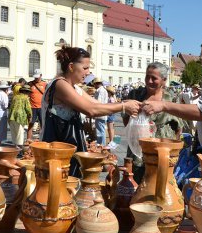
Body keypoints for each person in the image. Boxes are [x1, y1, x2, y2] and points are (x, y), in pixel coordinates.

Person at [40, 46, 141, 177]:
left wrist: (126, 103)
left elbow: (98, 105)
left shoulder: (74, 87)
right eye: (85, 68)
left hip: (66, 150)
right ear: (71, 67)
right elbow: (91, 110)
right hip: (56, 154)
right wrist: (123, 106)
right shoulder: (60, 85)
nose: (88, 73)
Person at [123, 62, 185, 183]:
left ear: (164, 80)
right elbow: (126, 119)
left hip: (161, 153)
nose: (149, 81)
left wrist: (170, 150)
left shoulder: (171, 98)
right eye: (147, 76)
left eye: (154, 78)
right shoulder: (135, 95)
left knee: (159, 186)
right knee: (135, 185)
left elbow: (178, 128)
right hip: (138, 152)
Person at [9, 85, 32, 150]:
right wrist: (30, 117)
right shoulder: (25, 98)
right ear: (26, 92)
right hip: (20, 117)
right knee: (20, 133)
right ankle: (19, 149)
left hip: (12, 116)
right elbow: (28, 109)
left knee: (14, 132)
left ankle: (15, 147)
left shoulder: (15, 97)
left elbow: (10, 107)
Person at [27, 69, 46, 142]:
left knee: (43, 124)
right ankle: (28, 141)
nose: (36, 78)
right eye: (35, 77)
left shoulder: (45, 84)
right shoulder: (29, 84)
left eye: (37, 77)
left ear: (41, 75)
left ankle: (42, 140)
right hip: (32, 107)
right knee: (31, 124)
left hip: (42, 107)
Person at [93, 78, 108, 145]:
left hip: (100, 114)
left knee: (100, 132)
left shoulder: (100, 91)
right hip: (102, 113)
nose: (94, 86)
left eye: (94, 84)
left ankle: (101, 145)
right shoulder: (103, 90)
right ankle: (102, 145)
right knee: (101, 130)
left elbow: (98, 103)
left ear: (97, 84)